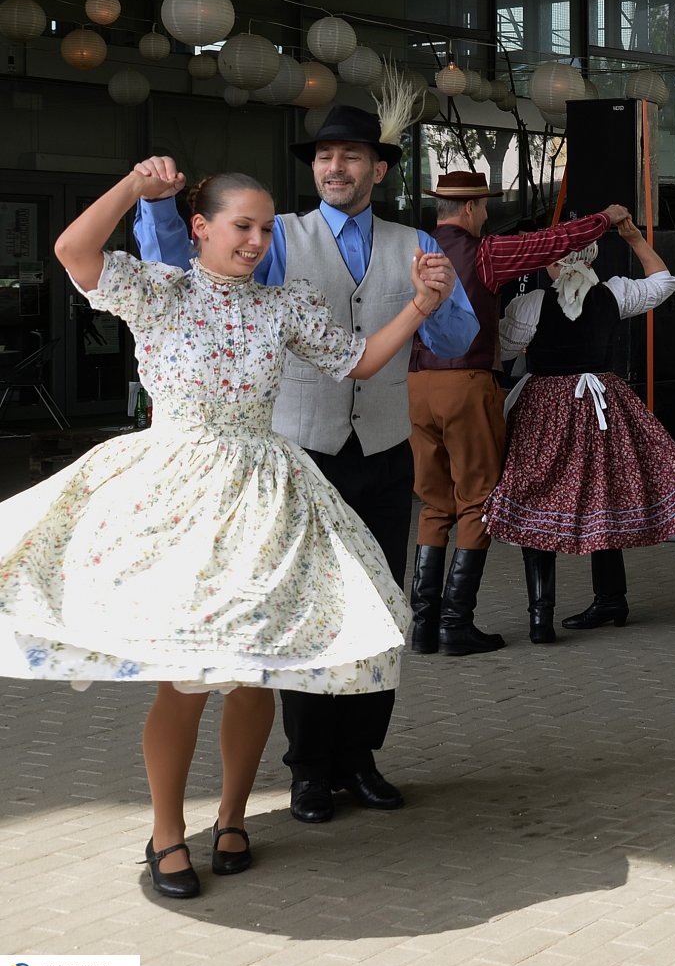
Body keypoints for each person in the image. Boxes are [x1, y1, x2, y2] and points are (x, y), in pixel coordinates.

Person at [1, 168, 449, 897]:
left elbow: (360, 360)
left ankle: (234, 818)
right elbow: (72, 250)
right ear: (200, 227)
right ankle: (166, 833)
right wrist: (134, 185)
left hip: (264, 495)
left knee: (252, 673)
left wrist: (423, 305)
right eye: (242, 225)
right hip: (175, 494)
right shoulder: (159, 291)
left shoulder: (284, 305)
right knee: (184, 677)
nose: (257, 240)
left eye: (266, 228)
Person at [134, 104, 480, 826]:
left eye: (350, 156)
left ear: (378, 170)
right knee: (303, 613)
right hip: (297, 456)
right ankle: (309, 768)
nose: (334, 167)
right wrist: (160, 206)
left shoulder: (415, 242)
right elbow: (179, 272)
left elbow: (455, 338)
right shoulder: (276, 235)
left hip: (383, 454)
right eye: (324, 156)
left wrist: (441, 298)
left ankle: (361, 757)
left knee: (379, 609)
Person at [407, 171, 622, 655]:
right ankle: (455, 623)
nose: (485, 215)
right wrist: (604, 220)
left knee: (434, 503)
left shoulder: (414, 249)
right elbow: (552, 242)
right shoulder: (484, 253)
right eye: (484, 207)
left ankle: (423, 626)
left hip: (417, 383)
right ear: (470, 208)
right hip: (466, 382)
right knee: (477, 501)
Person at [489, 217, 675, 640]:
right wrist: (634, 238)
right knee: (603, 495)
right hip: (600, 403)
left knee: (535, 499)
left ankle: (541, 617)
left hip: (546, 408)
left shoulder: (532, 303)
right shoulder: (613, 293)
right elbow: (663, 283)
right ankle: (610, 598)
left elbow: (503, 349)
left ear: (552, 261)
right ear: (591, 259)